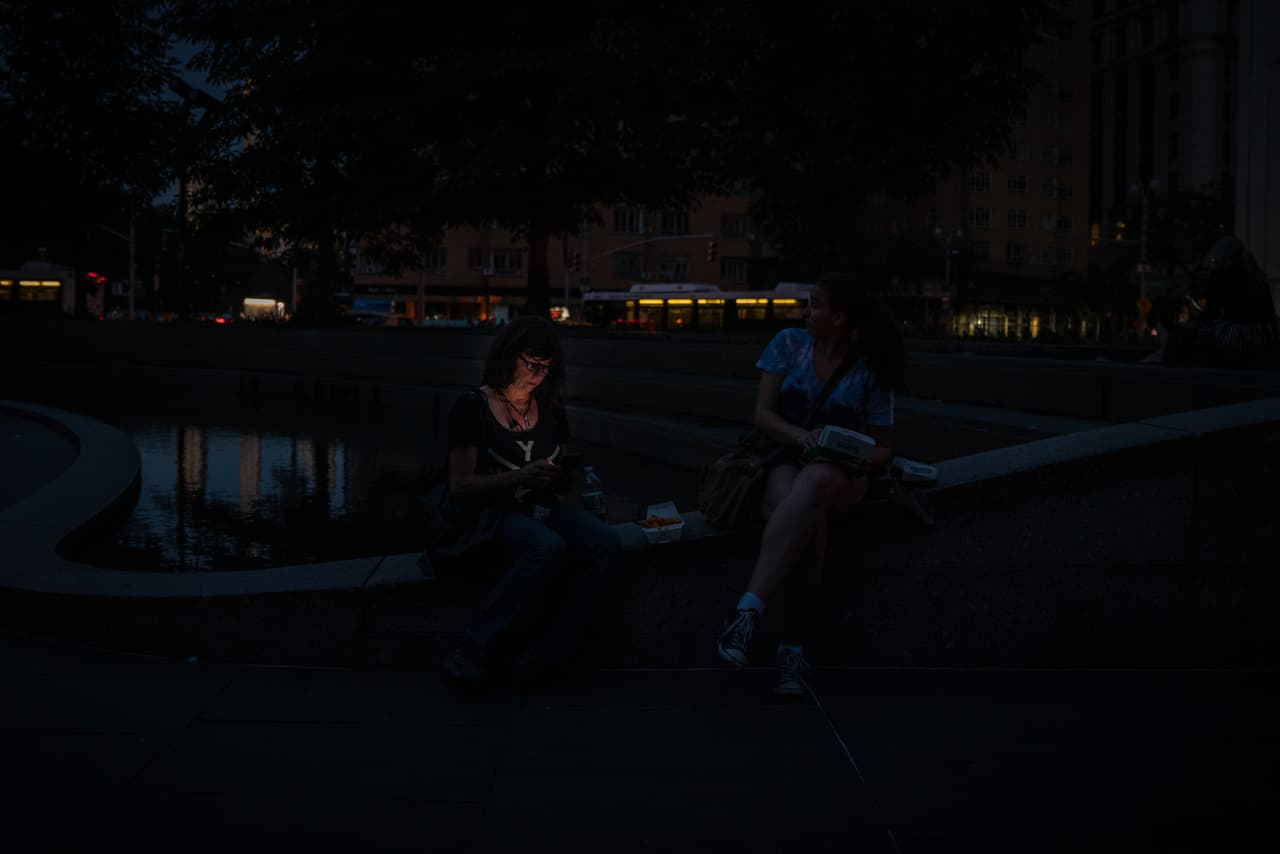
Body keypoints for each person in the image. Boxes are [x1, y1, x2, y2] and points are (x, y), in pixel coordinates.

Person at [715, 272, 906, 697]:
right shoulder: (787, 343)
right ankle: (790, 650)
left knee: (816, 483)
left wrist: (854, 455)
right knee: (808, 517)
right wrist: (802, 438)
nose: (807, 312)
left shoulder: (870, 367)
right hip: (785, 456)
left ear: (839, 318)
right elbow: (763, 415)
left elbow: (884, 447)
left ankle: (747, 614)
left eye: (816, 305)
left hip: (844, 473)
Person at [438, 315, 622, 693]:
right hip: (488, 514)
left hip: (539, 506)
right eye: (530, 363)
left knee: (605, 542)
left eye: (545, 366)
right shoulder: (472, 407)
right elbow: (460, 487)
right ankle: (476, 648)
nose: (537, 374)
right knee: (545, 546)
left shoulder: (551, 408)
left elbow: (561, 463)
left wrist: (559, 479)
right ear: (508, 355)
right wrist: (519, 477)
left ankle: (549, 649)